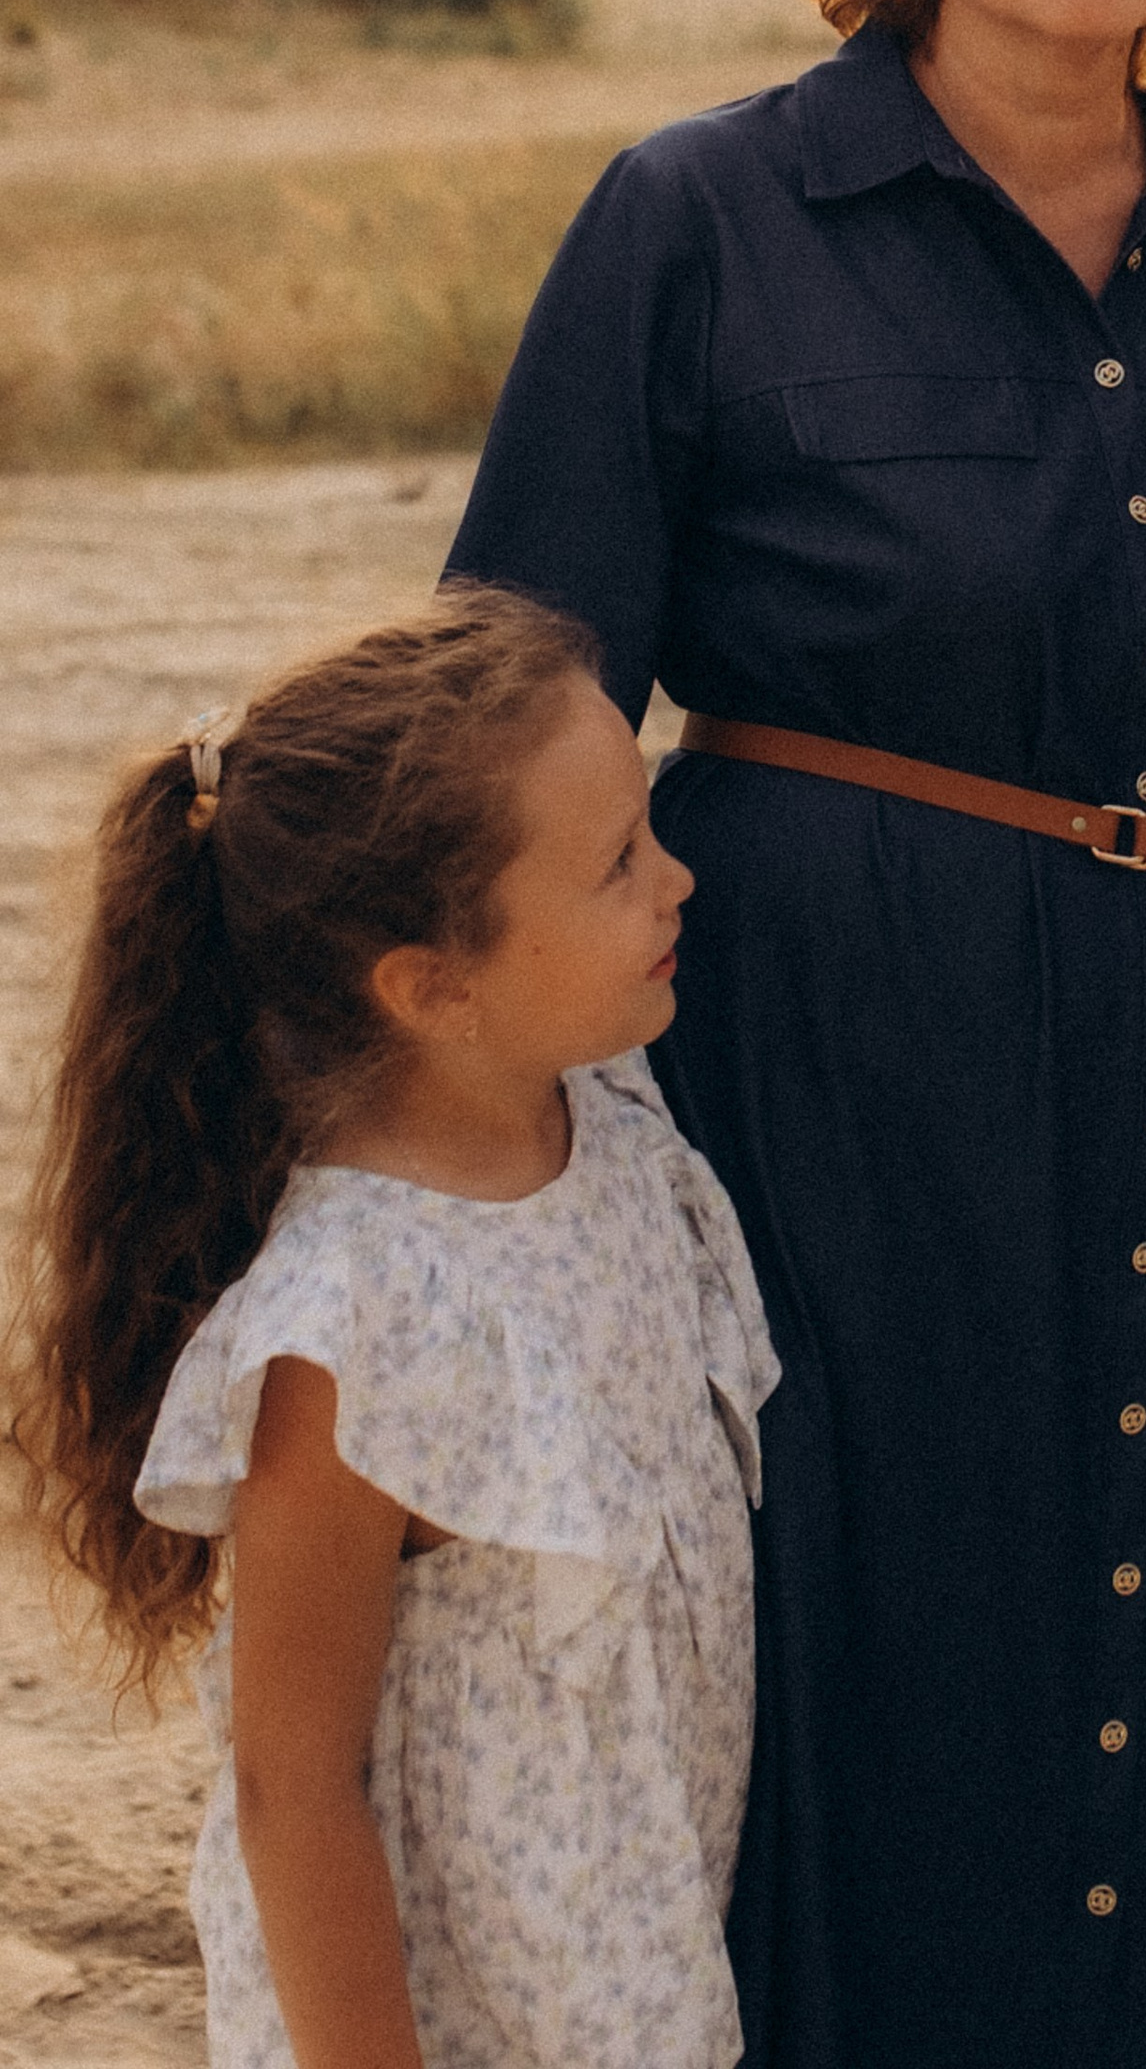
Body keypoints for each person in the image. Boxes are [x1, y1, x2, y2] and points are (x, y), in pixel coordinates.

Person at [443, 0, 1146, 2068]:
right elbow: (515, 706)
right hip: (812, 1079)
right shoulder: (700, 218)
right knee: (850, 1670)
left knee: (1140, 1658)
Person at [8, 586, 776, 2069]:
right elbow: (294, 1791)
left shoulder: (613, 1122)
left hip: (623, 1985)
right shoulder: (354, 1330)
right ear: (433, 988)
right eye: (620, 864)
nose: (678, 884)